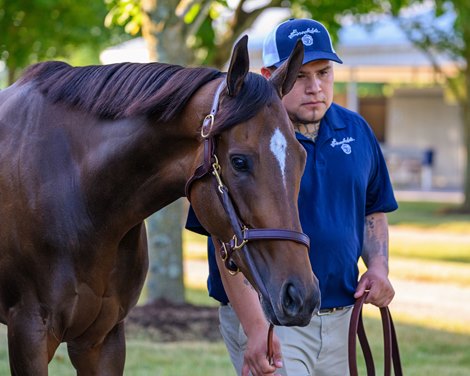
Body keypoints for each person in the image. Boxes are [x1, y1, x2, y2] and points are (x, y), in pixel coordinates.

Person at [186, 18, 398, 376]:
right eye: (300, 76)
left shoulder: (356, 130)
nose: (315, 87)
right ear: (273, 77)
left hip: (342, 315)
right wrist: (256, 328)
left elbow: (372, 211)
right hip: (274, 317)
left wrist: (378, 268)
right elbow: (226, 243)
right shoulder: (242, 140)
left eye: (324, 73)